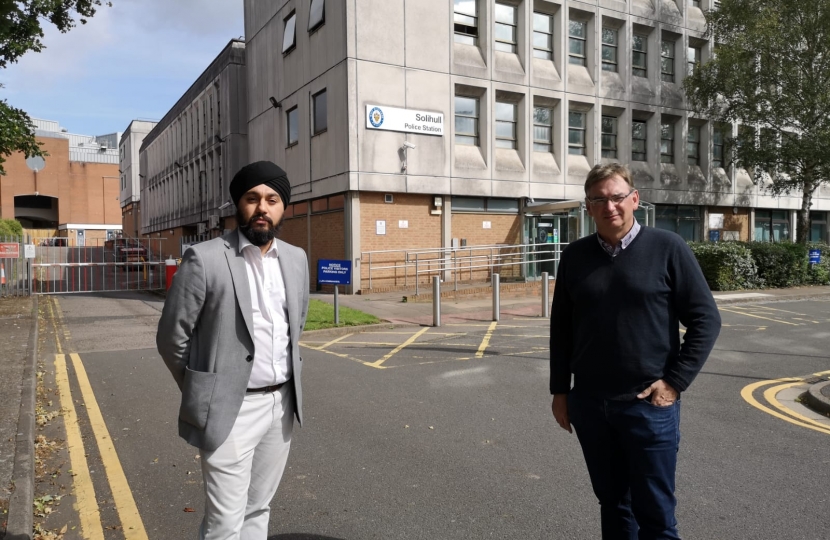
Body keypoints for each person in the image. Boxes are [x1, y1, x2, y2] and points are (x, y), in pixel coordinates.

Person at [549, 163, 721, 540]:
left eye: (616, 197)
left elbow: (706, 319)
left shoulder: (668, 248)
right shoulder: (575, 256)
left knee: (656, 515)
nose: (610, 206)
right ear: (588, 207)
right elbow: (561, 330)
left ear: (634, 200)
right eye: (598, 200)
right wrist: (561, 392)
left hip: (648, 406)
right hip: (592, 405)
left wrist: (674, 383)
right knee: (613, 506)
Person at [157, 160, 309, 539]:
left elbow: (297, 326)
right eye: (252, 198)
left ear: (282, 207)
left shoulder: (296, 258)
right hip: (231, 409)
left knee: (259, 509)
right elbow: (172, 337)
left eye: (272, 199)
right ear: (238, 205)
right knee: (225, 522)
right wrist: (206, 390)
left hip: (281, 406)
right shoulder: (205, 257)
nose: (262, 208)